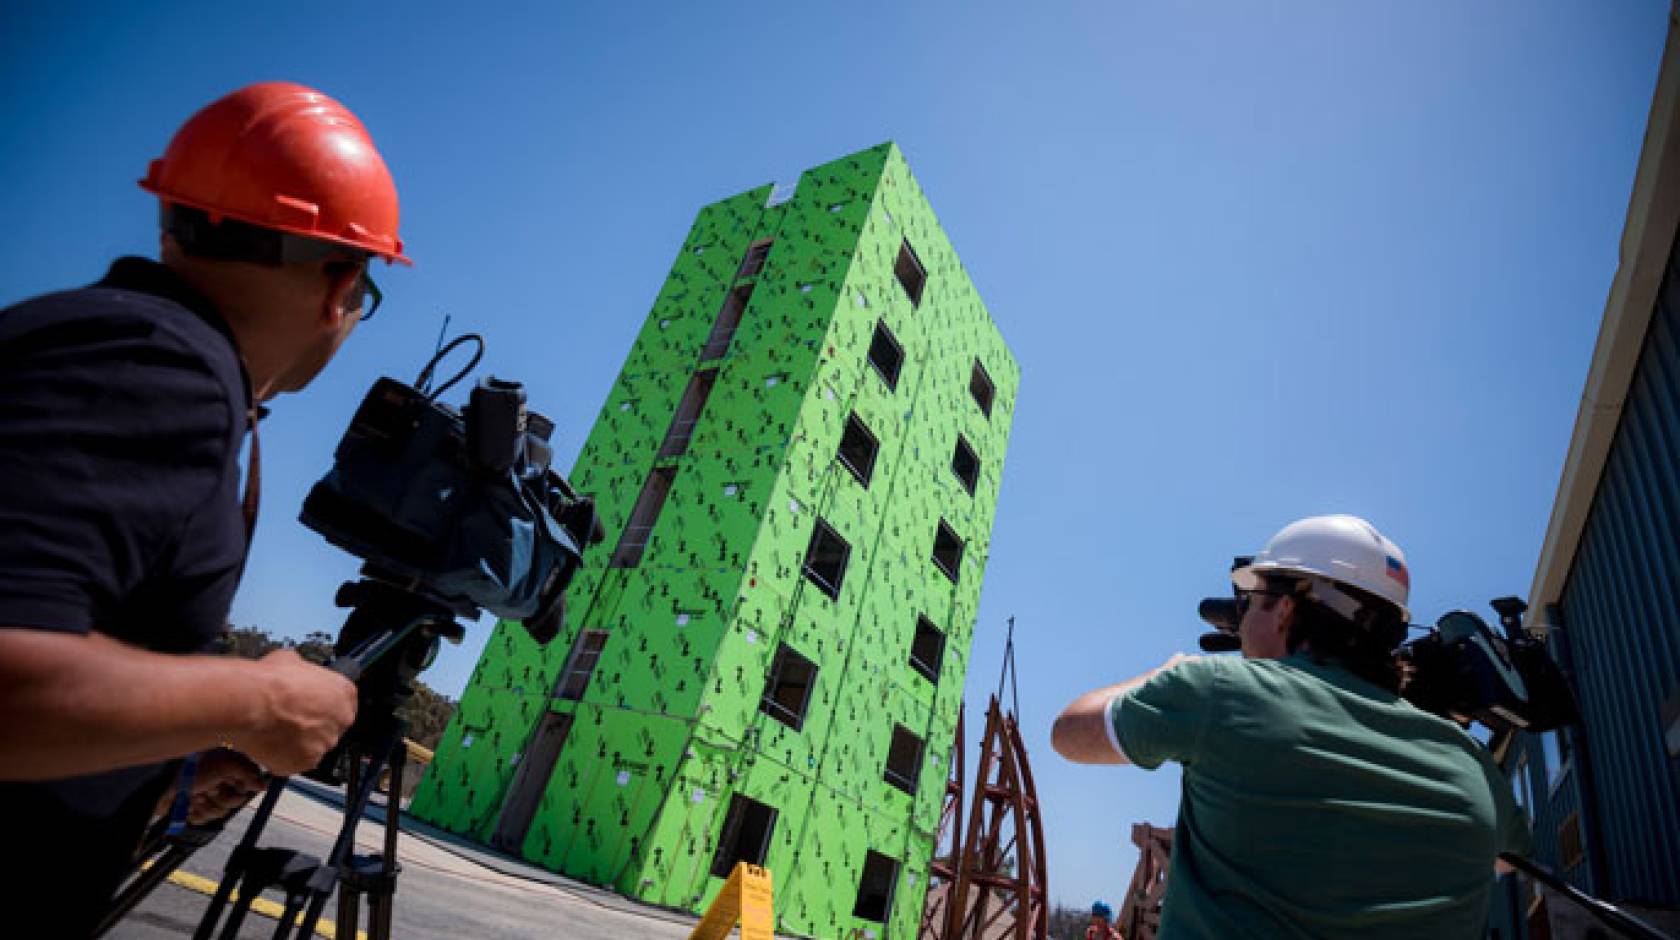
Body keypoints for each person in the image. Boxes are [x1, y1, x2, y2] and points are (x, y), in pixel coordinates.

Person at [0, 81, 408, 935]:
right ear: (341, 285)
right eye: (363, 299)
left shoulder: (100, 339)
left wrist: (146, 776)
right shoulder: (156, 367)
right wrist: (255, 702)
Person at [1051, 515, 1531, 939]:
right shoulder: (1471, 766)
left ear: (1286, 610)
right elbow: (1509, 862)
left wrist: (1165, 673)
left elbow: (1069, 733)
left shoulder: (1216, 690)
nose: (1240, 627)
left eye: (1252, 602)